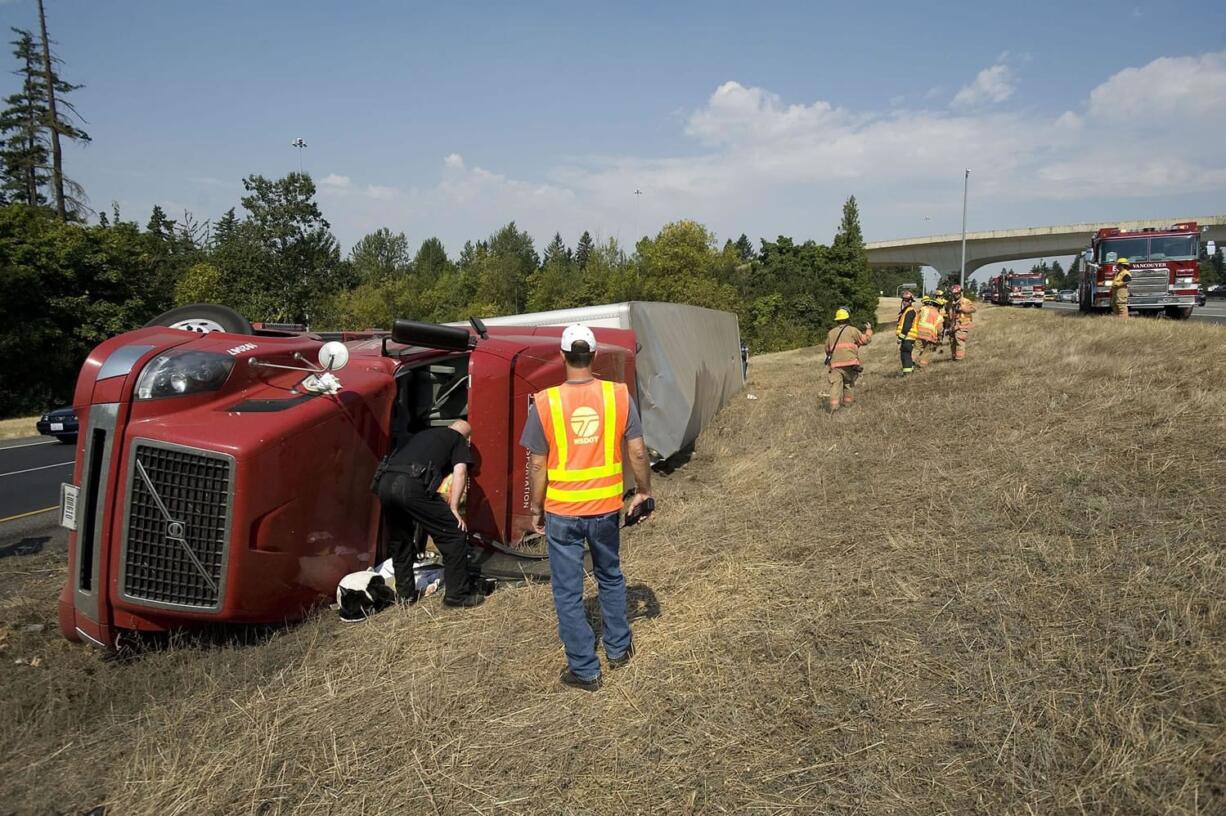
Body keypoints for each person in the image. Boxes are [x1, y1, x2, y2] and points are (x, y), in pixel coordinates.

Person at [521, 324, 655, 692]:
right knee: (610, 576)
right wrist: (643, 492)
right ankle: (618, 650)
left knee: (567, 591)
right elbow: (639, 450)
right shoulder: (618, 396)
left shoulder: (544, 402)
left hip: (563, 512)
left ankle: (585, 669)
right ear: (593, 356)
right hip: (605, 509)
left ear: (562, 356)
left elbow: (536, 464)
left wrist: (536, 508)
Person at [374, 420, 485, 608]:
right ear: (466, 438)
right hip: (409, 486)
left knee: (400, 540)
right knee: (453, 534)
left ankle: (405, 595)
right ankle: (457, 596)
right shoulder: (457, 439)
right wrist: (454, 509)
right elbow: (460, 472)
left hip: (384, 482)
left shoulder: (424, 435)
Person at [824, 307, 873, 412]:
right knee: (848, 384)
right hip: (850, 364)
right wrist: (868, 330)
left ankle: (833, 408)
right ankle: (848, 405)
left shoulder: (831, 333)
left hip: (835, 364)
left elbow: (827, 349)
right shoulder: (852, 330)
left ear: (837, 320)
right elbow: (866, 340)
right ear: (848, 318)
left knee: (835, 386)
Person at [946, 284, 976, 361]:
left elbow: (973, 309)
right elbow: (949, 313)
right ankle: (954, 357)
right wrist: (948, 325)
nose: (955, 295)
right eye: (954, 294)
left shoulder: (965, 301)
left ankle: (959, 359)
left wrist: (962, 308)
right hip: (953, 324)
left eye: (957, 293)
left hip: (962, 324)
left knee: (959, 340)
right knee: (952, 341)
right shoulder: (950, 302)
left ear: (960, 293)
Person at [913, 295, 944, 369]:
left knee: (916, 349)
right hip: (930, 337)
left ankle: (910, 363)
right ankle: (922, 366)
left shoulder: (923, 309)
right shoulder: (939, 316)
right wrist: (939, 338)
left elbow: (916, 317)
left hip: (919, 334)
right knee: (927, 351)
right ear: (938, 307)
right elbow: (940, 329)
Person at [896, 290, 919, 374]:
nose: (904, 302)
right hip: (908, 337)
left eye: (906, 300)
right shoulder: (907, 311)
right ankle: (909, 371)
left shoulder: (910, 311)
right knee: (907, 355)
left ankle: (907, 373)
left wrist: (900, 338)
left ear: (910, 301)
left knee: (905, 355)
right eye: (903, 300)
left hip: (908, 337)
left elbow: (906, 326)